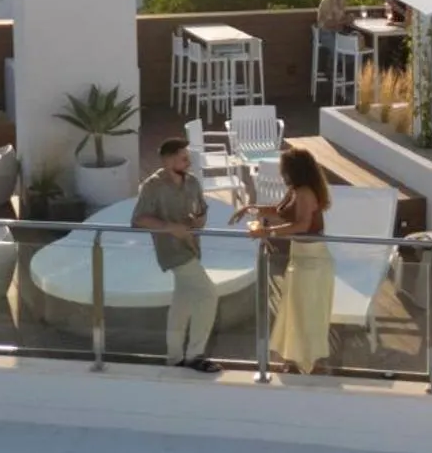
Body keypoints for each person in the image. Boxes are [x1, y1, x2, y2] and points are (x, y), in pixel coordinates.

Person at [232, 148, 335, 374]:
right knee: (295, 311)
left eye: (284, 168)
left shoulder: (305, 193)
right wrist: (251, 209)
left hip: (313, 261)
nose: (281, 172)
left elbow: (302, 225)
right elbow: (279, 211)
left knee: (306, 313)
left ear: (294, 170)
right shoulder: (295, 190)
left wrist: (268, 233)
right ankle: (297, 360)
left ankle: (309, 364)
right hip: (300, 256)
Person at [132, 138, 218, 373]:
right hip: (172, 251)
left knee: (182, 303)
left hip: (192, 248)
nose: (188, 162)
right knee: (208, 295)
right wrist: (171, 227)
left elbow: (201, 212)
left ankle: (174, 357)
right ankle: (195, 355)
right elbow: (139, 219)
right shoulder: (153, 186)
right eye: (183, 158)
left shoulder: (192, 182)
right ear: (168, 160)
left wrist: (197, 221)